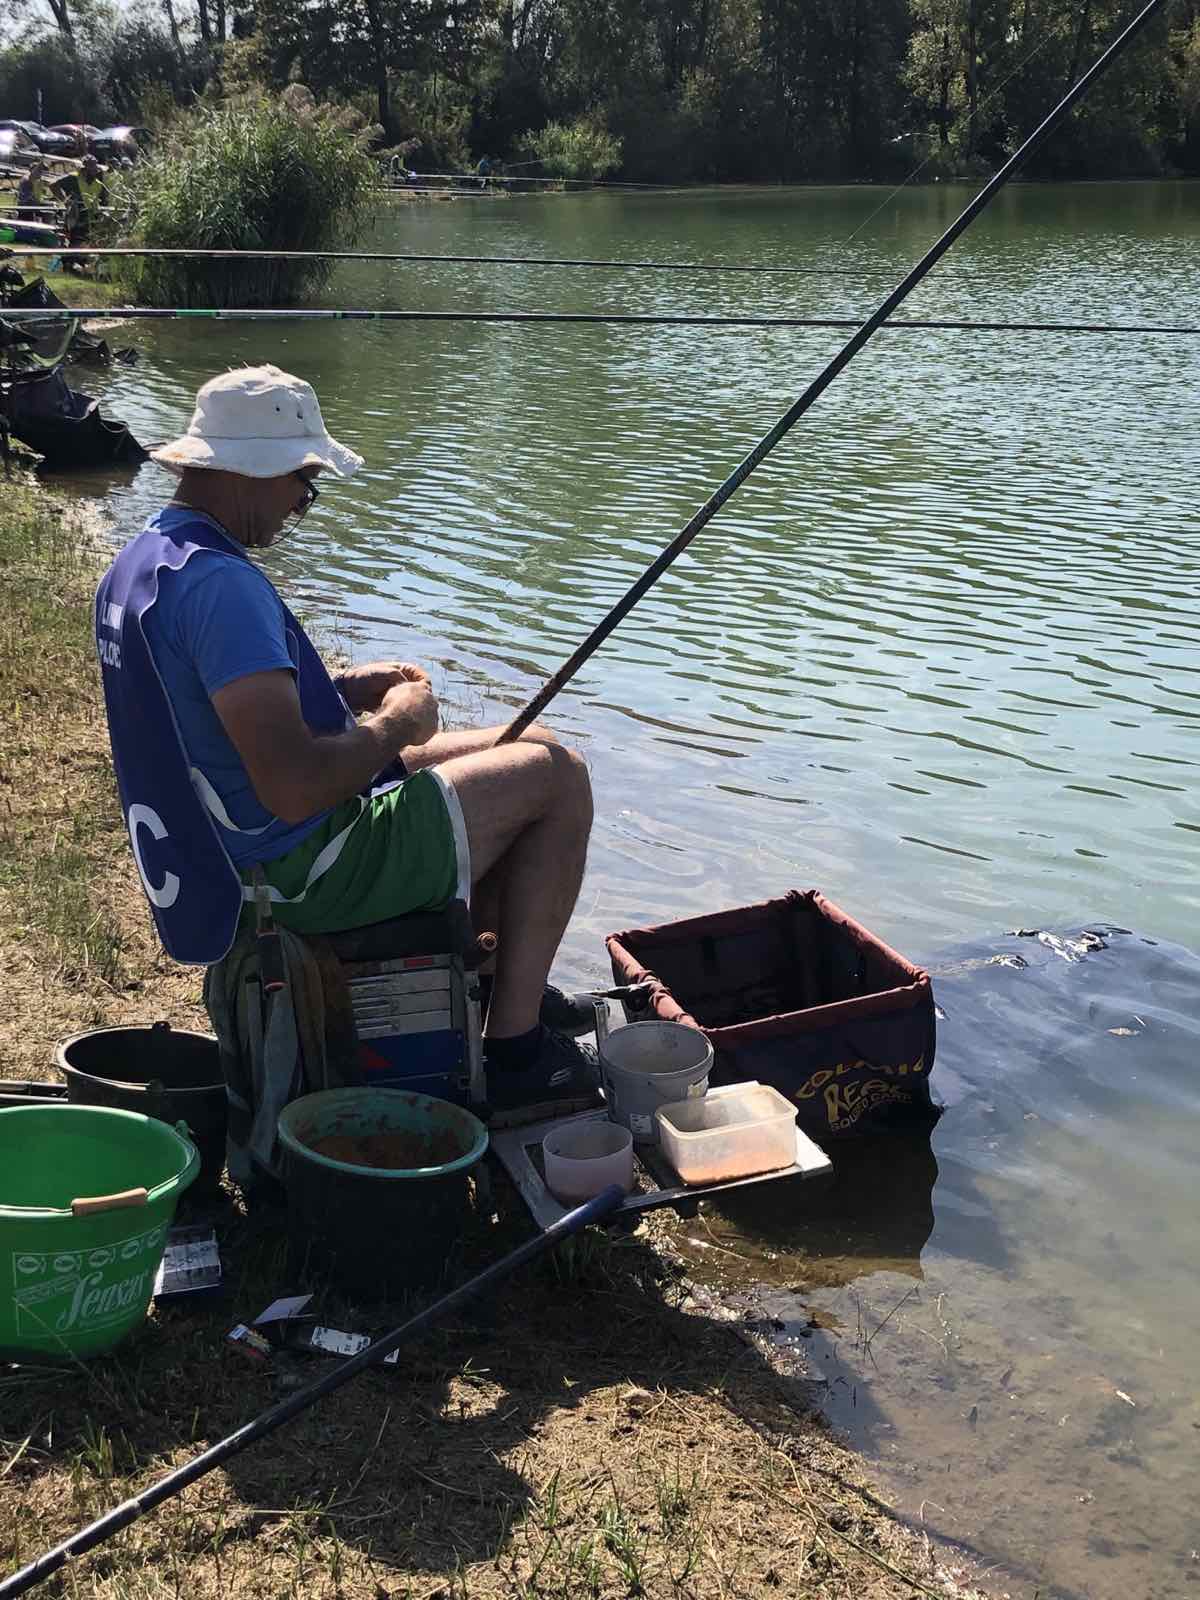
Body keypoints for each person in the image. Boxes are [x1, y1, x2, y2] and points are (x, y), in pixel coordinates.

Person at [94, 364, 599, 1110]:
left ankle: (502, 986)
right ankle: (518, 1050)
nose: (304, 502)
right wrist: (392, 726)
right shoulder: (221, 586)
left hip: (230, 845)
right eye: (304, 480)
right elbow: (294, 785)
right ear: (257, 469)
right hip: (299, 866)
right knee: (559, 779)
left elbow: (206, 713)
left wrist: (333, 692)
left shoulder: (150, 558)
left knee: (537, 743)